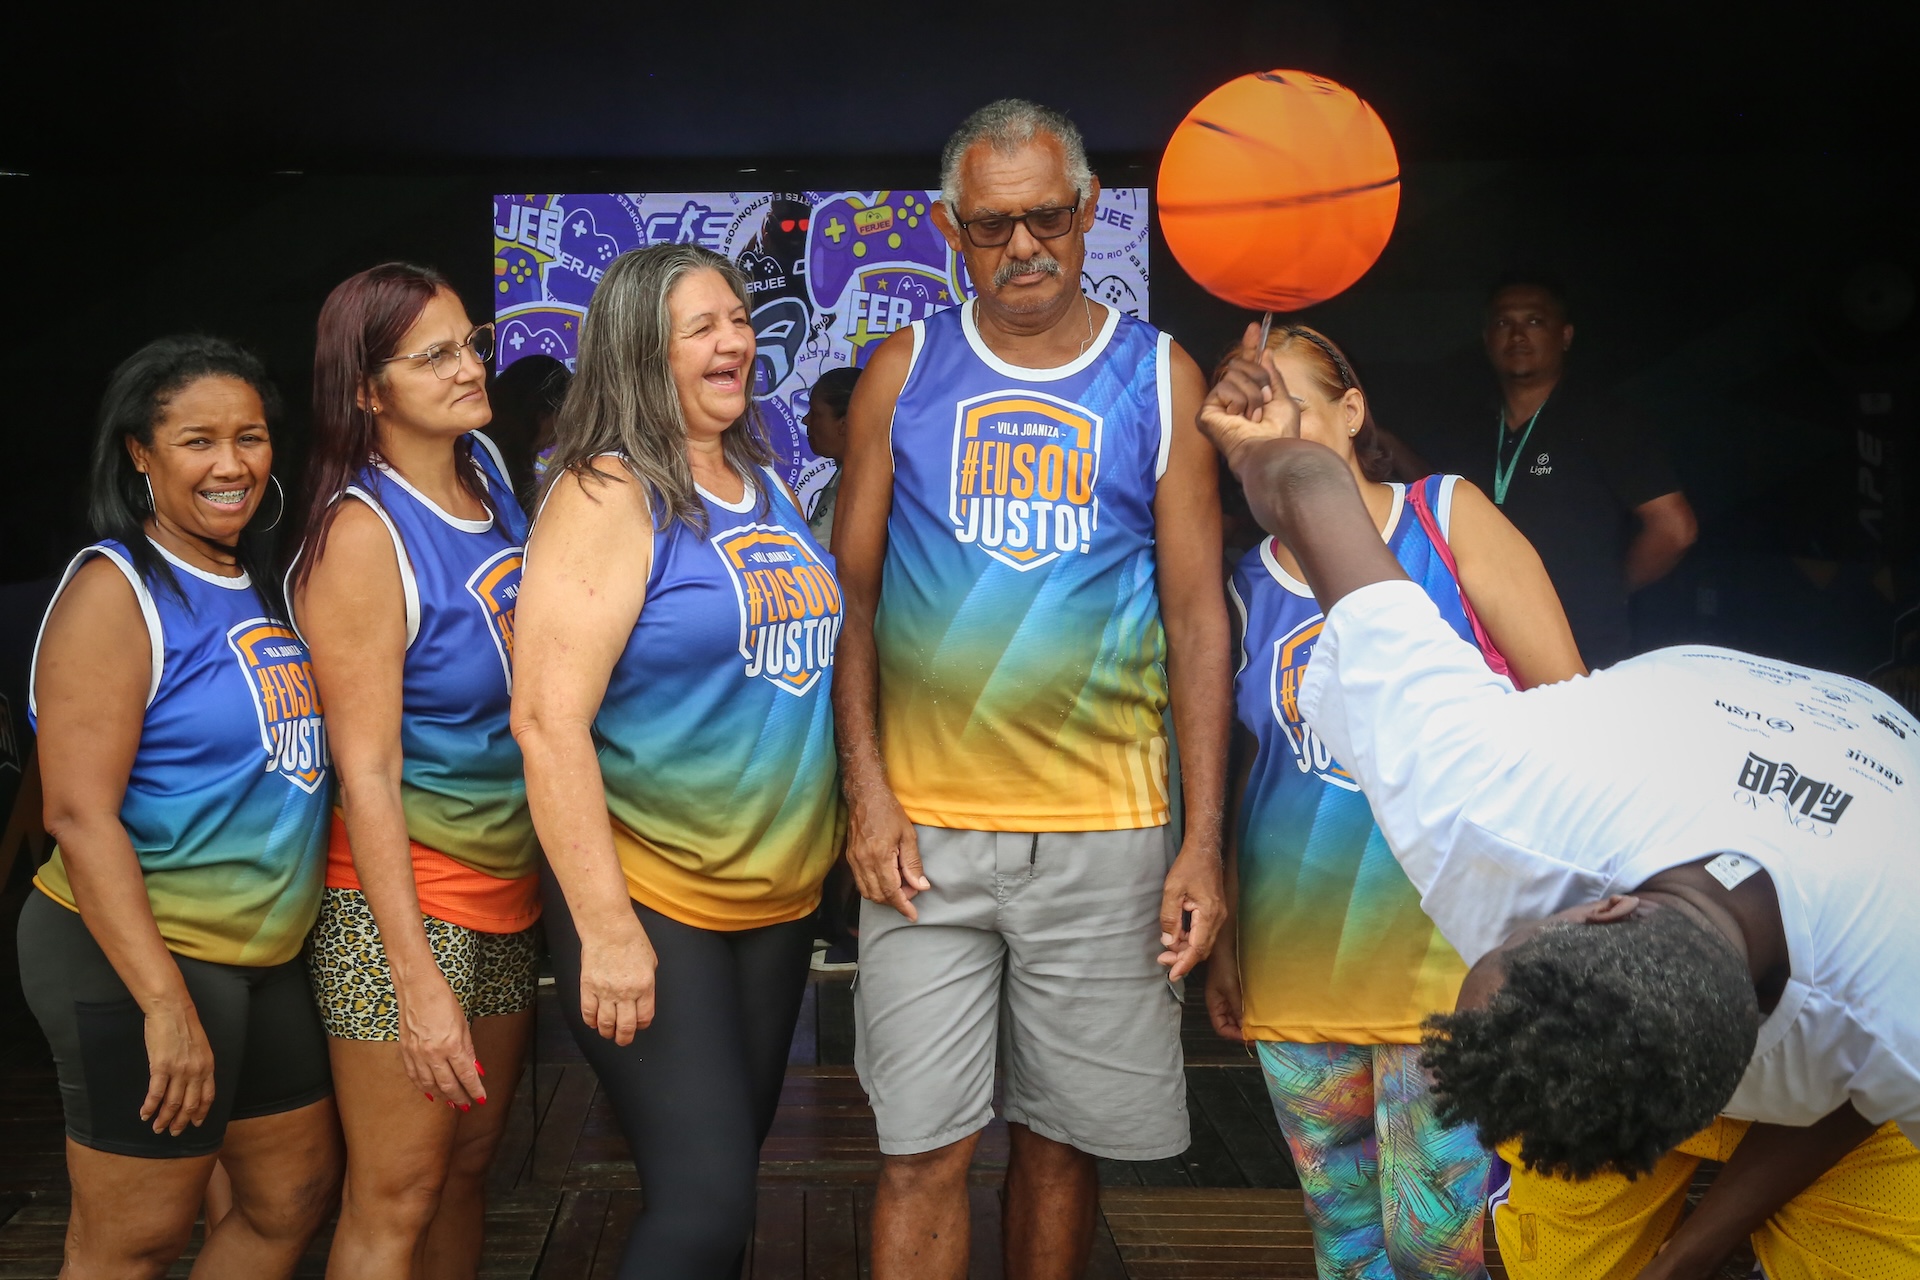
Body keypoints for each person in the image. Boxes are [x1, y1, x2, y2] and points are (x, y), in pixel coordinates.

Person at [1198, 326, 1920, 1280]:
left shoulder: (1898, 994)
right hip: (1692, 746)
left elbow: (1861, 1092)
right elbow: (1320, 498)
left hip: (1866, 866)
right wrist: (1256, 448)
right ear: (1600, 906)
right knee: (1555, 1258)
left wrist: (1689, 1255)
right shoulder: (1491, 787)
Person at [832, 98, 1231, 1280]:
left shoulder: (1158, 376)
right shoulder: (904, 371)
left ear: (1090, 209)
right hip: (925, 840)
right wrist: (865, 791)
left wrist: (1201, 840)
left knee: (1062, 1144)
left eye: (1048, 217)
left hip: (1108, 833)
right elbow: (850, 600)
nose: (1024, 247)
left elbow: (1199, 620)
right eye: (993, 225)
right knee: (920, 1146)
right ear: (951, 226)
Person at [1205, 323, 1585, 1280]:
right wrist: (1230, 943)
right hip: (1296, 961)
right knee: (1345, 1240)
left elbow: (1571, 711)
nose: (1272, 430)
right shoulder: (1242, 585)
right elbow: (1245, 777)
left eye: (1291, 405)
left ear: (1352, 409)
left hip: (1452, 963)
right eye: (1249, 411)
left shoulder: (1445, 518)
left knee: (1434, 1241)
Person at [511, 244, 842, 1279]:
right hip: (652, 898)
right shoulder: (606, 493)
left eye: (738, 318)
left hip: (773, 903)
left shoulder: (763, 482)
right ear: (638, 352)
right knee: (701, 1208)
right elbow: (546, 721)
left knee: (726, 1195)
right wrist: (606, 930)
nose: (735, 339)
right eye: (702, 326)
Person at [20, 336, 339, 1276]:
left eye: (250, 437)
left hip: (261, 960)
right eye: (198, 441)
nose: (231, 464)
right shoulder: (114, 591)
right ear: (139, 453)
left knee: (290, 1200)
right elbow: (77, 814)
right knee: (135, 1240)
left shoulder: (263, 580)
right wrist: (162, 1004)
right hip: (136, 954)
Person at [289, 264, 537, 1279]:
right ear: (366, 388)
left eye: (470, 343)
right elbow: (367, 772)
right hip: (402, 907)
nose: (469, 367)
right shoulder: (363, 532)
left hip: (507, 892)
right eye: (433, 356)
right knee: (395, 1192)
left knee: (467, 1167)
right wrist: (414, 974)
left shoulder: (487, 472)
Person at [1473, 275, 1697, 667]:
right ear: (1487, 338)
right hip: (1481, 642)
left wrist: (1607, 590)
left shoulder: (1605, 419)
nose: (1518, 335)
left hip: (1579, 644)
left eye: (1534, 321)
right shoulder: (1472, 422)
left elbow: (1674, 529)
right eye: (1504, 322)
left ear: (1565, 335)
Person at [484, 352, 571, 498]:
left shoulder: (507, 460)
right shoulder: (490, 463)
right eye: (562, 420)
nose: (559, 436)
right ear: (541, 414)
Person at [803, 363, 860, 547]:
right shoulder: (846, 476)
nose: (805, 420)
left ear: (844, 424)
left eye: (815, 413)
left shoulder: (860, 483)